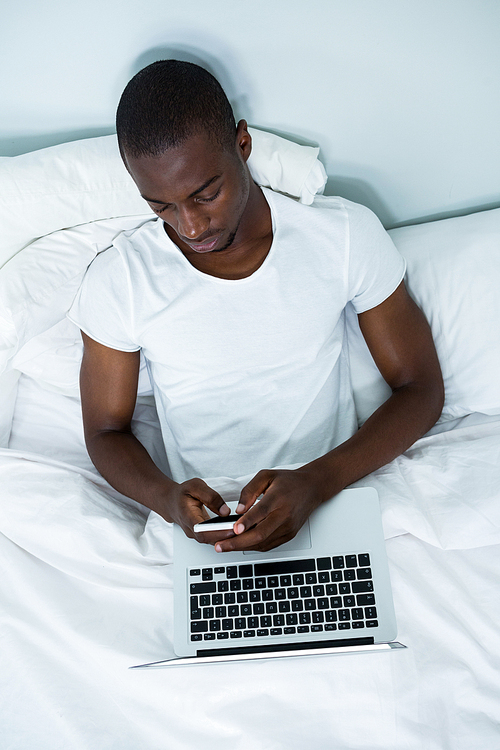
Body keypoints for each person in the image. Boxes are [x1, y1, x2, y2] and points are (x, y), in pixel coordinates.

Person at [68, 60, 444, 554]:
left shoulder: (343, 236)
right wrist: (165, 499)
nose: (192, 226)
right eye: (161, 205)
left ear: (242, 144)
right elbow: (104, 430)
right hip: (208, 533)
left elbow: (421, 388)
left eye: (206, 194)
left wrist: (316, 483)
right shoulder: (120, 280)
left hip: (331, 498)